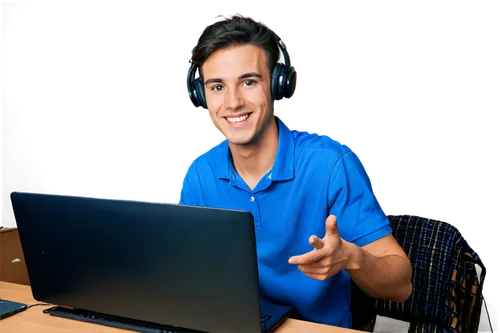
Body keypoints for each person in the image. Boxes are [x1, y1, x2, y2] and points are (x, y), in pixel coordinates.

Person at [180, 12, 412, 329]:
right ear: (200, 95)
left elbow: (401, 287)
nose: (232, 102)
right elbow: (194, 275)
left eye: (249, 82)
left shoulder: (330, 163)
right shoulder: (199, 173)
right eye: (217, 86)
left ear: (278, 85)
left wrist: (352, 258)